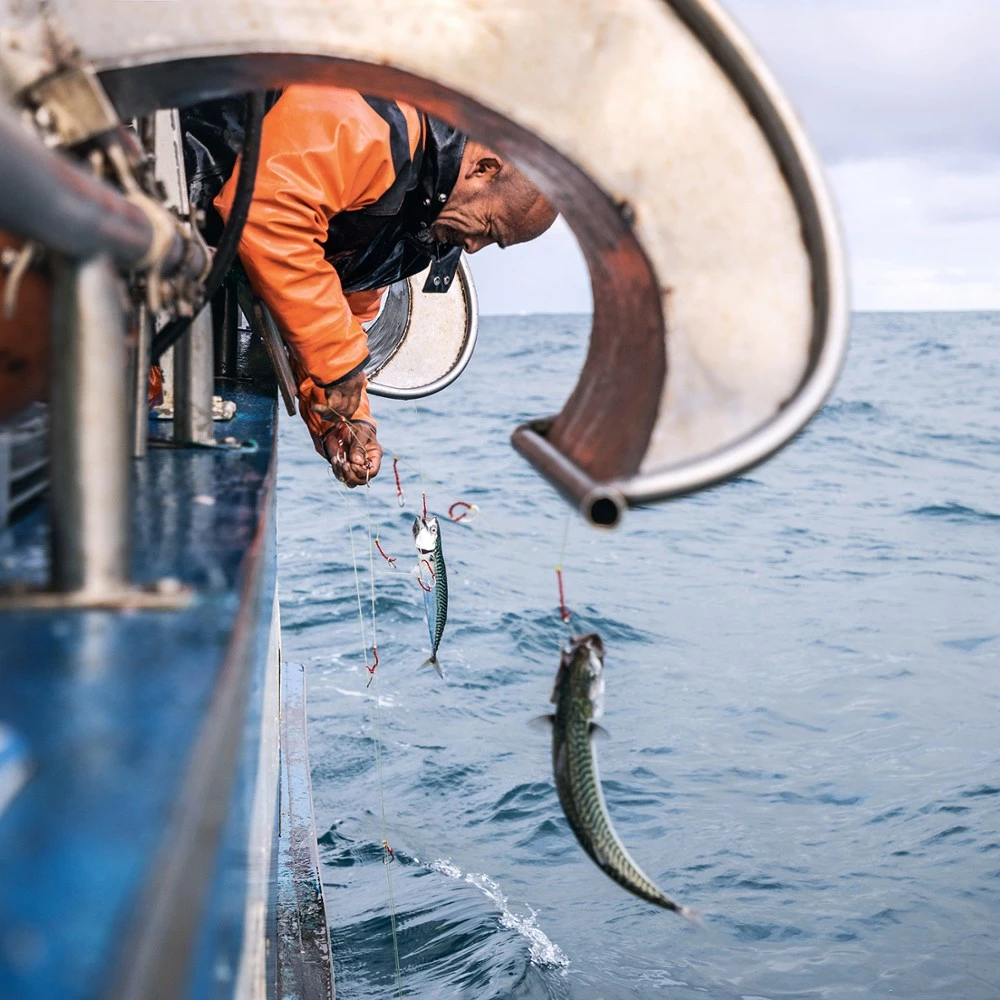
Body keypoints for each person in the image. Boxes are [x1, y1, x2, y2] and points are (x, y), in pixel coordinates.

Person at [212, 85, 556, 486]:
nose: (474, 249)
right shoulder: (375, 118)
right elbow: (268, 210)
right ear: (484, 168)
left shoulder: (413, 225)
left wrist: (347, 423)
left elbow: (333, 312)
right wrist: (339, 362)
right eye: (489, 229)